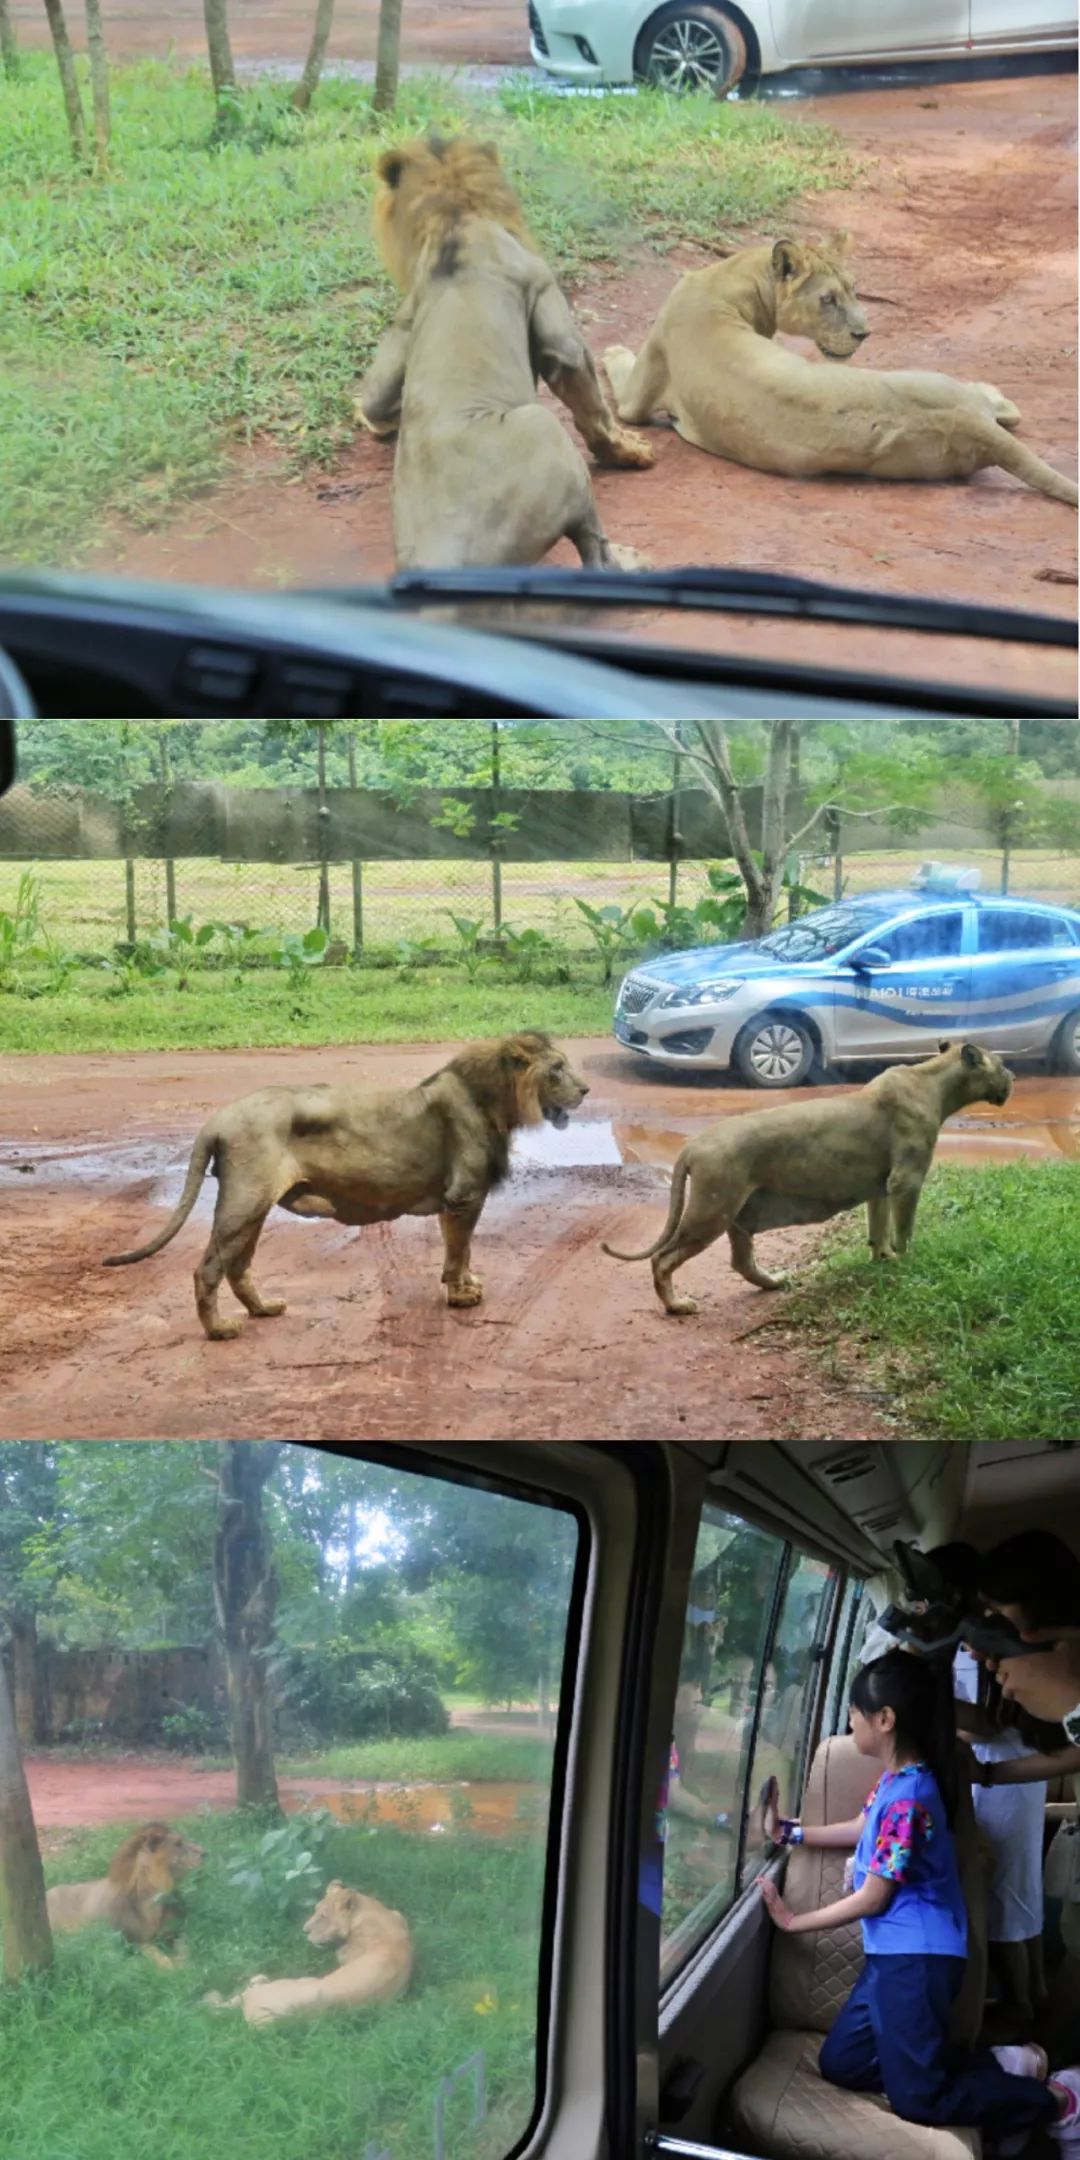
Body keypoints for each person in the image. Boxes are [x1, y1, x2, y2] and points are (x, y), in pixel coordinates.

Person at [757, 1649, 1080, 2154]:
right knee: (842, 2062)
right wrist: (790, 1832)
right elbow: (862, 1829)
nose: (849, 1721)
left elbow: (872, 1897)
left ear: (884, 1720)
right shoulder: (896, 1781)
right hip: (893, 1957)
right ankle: (1000, 2063)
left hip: (918, 1961)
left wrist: (796, 1921)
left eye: (854, 1712)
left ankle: (1057, 2102)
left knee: (918, 2099)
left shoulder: (912, 1798)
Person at [953, 1645, 1049, 2029]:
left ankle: (1019, 2005)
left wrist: (932, 1709)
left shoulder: (1007, 1650)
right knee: (1021, 1888)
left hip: (1008, 1776)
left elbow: (993, 1721)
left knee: (1007, 1892)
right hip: (1000, 1774)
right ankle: (1036, 1989)